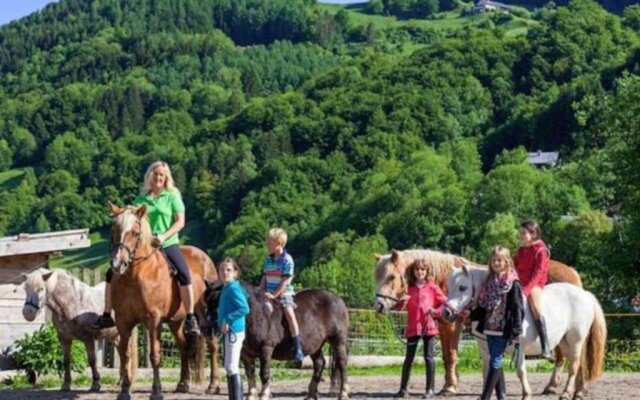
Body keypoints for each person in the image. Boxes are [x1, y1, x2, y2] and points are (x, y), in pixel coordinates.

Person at [92, 161, 200, 335]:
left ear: (166, 178)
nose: (158, 177)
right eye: (155, 174)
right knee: (111, 272)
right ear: (150, 176)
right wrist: (118, 212)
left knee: (184, 273)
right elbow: (130, 216)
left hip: (167, 243)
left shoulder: (172, 196)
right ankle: (106, 315)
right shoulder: (141, 200)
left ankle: (190, 317)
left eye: (161, 175)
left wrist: (164, 236)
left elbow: (181, 221)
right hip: (145, 246)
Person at [466, 246, 524, 400]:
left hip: (503, 328)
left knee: (495, 360)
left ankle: (485, 397)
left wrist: (516, 331)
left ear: (506, 262)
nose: (496, 263)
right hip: (489, 327)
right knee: (495, 360)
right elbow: (483, 306)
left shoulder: (513, 283)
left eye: (499, 260)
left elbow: (517, 307)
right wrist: (471, 315)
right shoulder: (488, 281)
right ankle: (501, 395)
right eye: (493, 260)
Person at [393, 258, 447, 399]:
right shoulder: (408, 288)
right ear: (413, 271)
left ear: (427, 271)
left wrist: (435, 312)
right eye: (417, 269)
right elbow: (399, 308)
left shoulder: (433, 287)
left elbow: (444, 304)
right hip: (413, 326)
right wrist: (400, 303)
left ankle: (430, 389)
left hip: (428, 326)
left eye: (423, 269)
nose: (420, 272)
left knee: (429, 358)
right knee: (408, 358)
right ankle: (403, 389)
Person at [260, 227, 304, 364]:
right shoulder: (268, 259)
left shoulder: (287, 260)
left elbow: (285, 281)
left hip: (284, 292)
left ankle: (298, 346)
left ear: (279, 243)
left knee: (289, 314)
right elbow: (265, 277)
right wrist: (259, 291)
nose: (267, 244)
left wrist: (275, 295)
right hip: (268, 292)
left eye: (270, 242)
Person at [514, 219, 553, 360]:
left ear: (534, 233)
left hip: (535, 283)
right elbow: (514, 268)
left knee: (536, 306)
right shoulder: (520, 250)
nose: (521, 235)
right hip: (519, 282)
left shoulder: (541, 250)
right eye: (520, 233)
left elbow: (538, 273)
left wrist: (527, 290)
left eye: (523, 233)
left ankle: (546, 346)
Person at [217, 257, 250, 400]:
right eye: (222, 269)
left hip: (234, 331)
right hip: (229, 331)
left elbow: (244, 308)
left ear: (235, 272)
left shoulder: (233, 288)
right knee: (228, 366)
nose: (225, 272)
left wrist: (227, 320)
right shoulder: (227, 287)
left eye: (228, 270)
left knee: (231, 366)